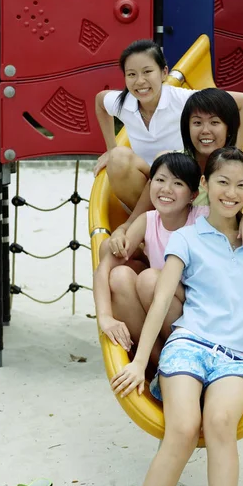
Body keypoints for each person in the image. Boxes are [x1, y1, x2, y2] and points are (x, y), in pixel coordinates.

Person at [111, 147, 243, 486]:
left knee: (220, 424)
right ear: (204, 184)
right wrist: (140, 362)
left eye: (241, 186)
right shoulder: (186, 237)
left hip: (236, 356)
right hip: (189, 344)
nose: (231, 193)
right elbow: (161, 302)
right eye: (223, 182)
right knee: (182, 429)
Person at [93, 39, 243, 214]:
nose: (140, 81)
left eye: (147, 72)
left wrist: (235, 154)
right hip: (145, 180)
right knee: (118, 157)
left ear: (164, 73)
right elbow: (100, 101)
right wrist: (111, 147)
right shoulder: (124, 103)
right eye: (131, 74)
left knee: (165, 159)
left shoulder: (182, 100)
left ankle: (167, 220)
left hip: (181, 179)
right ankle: (149, 222)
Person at [93, 152, 208, 364]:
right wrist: (105, 317)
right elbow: (104, 268)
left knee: (150, 279)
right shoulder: (149, 221)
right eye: (160, 180)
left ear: (193, 195)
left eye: (178, 183)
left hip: (196, 312)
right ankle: (156, 362)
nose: (166, 189)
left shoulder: (202, 218)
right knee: (118, 275)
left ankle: (179, 357)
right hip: (161, 310)